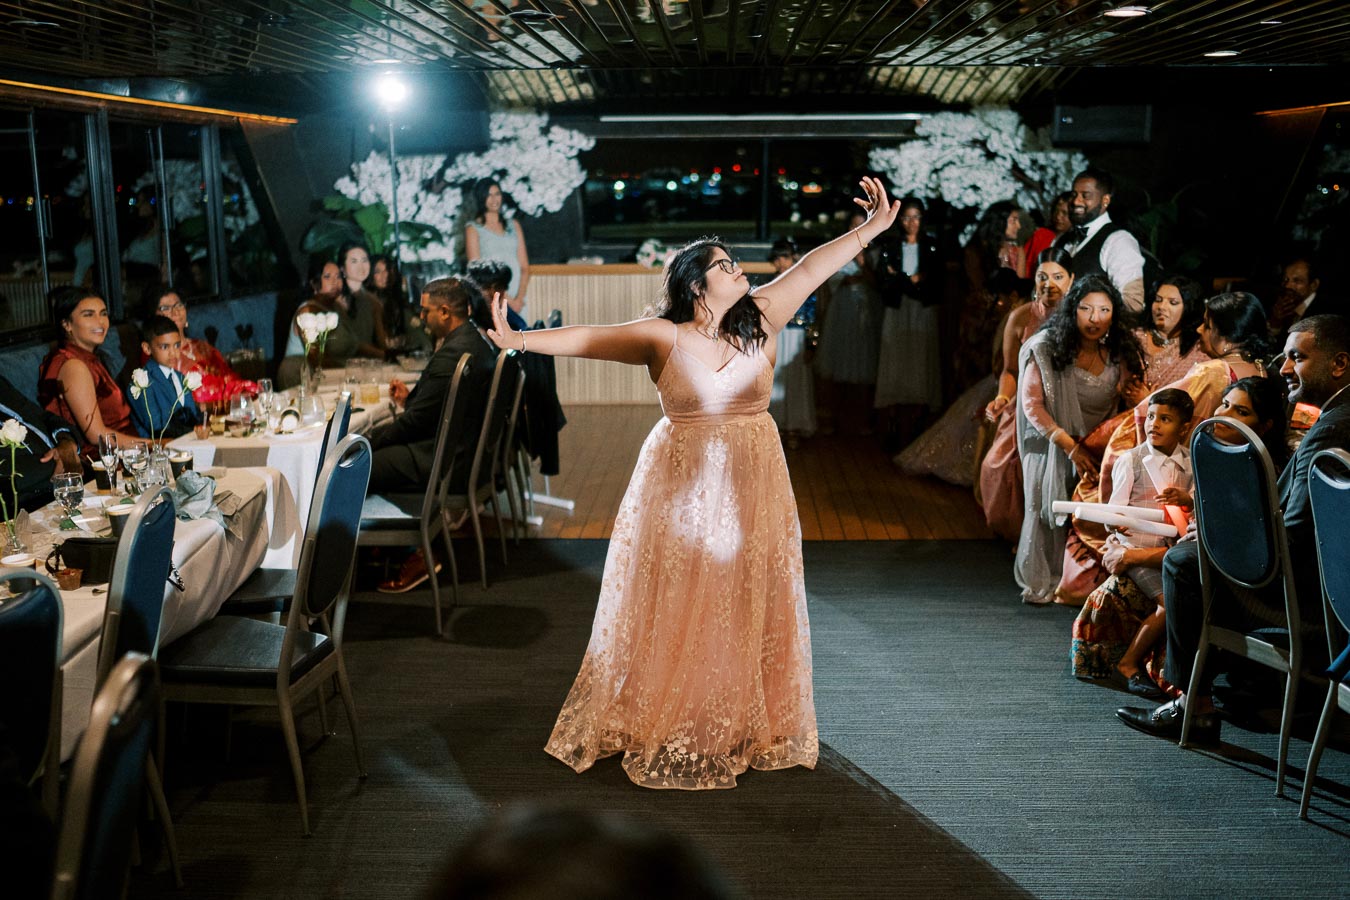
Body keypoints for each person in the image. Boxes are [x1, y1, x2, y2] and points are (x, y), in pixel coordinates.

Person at [482, 177, 901, 790]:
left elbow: (813, 268)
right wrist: (519, 340)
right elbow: (590, 338)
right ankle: (682, 712)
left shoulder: (759, 318)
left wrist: (870, 230)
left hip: (755, 481)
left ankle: (738, 714)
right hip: (681, 488)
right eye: (728, 267)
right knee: (689, 596)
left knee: (745, 592)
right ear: (697, 285)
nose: (742, 273)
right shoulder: (662, 336)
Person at [1118, 315, 1350, 743]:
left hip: (1317, 597)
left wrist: (1217, 535)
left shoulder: (1332, 428)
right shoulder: (1337, 417)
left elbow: (1296, 536)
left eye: (1297, 357)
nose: (1282, 368)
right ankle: (1240, 691)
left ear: (1339, 364)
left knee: (1184, 562)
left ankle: (1196, 707)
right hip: (1332, 582)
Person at [1072, 377, 1290, 695]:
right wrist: (1123, 540)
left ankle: (1185, 688)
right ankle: (1162, 676)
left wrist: (1142, 550)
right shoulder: (1145, 459)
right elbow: (1118, 514)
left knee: (1177, 584)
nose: (1225, 415)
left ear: (1264, 425)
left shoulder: (1236, 466)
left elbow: (1208, 535)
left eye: (1241, 411)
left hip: (1222, 565)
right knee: (1173, 584)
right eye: (1224, 404)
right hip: (1156, 544)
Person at [1015, 274, 1145, 605]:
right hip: (1052, 442)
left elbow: (1132, 401)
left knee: (1087, 515)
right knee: (1045, 511)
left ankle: (1080, 583)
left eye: (1103, 310)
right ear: (1072, 311)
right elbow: (1032, 406)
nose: (1094, 318)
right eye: (1085, 308)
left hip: (1098, 446)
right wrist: (1070, 447)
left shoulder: (1119, 352)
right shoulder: (1046, 349)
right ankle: (1046, 581)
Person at [372, 276, 498, 594]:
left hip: (440, 460)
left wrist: (366, 443)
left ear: (444, 312)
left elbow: (415, 424)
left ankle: (409, 552)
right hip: (463, 454)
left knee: (355, 468)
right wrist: (411, 398)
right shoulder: (476, 342)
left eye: (425, 311)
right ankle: (383, 549)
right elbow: (434, 408)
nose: (421, 317)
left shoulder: (452, 355)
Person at [979, 247, 1074, 539]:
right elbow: (1010, 371)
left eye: (1058, 276)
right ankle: (1021, 536)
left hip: (1067, 404)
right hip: (1023, 404)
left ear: (1071, 280)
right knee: (996, 466)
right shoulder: (1020, 317)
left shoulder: (1081, 316)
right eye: (1042, 276)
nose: (1049, 283)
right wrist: (1002, 398)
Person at [873, 197, 942, 450]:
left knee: (920, 357)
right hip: (898, 308)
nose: (911, 222)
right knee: (896, 357)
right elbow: (885, 279)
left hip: (922, 309)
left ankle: (918, 420)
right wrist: (908, 279)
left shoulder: (931, 245)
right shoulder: (890, 245)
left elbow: (934, 279)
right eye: (906, 217)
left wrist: (903, 278)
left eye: (916, 217)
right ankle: (894, 424)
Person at [37, 287, 141, 453]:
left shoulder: (90, 358)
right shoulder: (74, 366)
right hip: (106, 459)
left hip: (127, 449)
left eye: (103, 313)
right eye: (88, 314)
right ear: (67, 324)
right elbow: (96, 435)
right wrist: (153, 445)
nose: (100, 322)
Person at [814, 208, 882, 434]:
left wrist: (863, 267)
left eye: (862, 225)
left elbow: (875, 283)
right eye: (854, 225)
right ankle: (833, 418)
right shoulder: (838, 251)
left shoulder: (874, 254)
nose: (858, 230)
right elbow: (835, 281)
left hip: (866, 311)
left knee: (863, 361)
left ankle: (862, 419)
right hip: (842, 310)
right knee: (839, 359)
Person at [954, 200, 1026, 393]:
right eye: (1013, 220)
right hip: (980, 321)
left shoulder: (1017, 251)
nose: (1017, 226)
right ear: (999, 222)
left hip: (1007, 320)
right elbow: (978, 288)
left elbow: (1019, 285)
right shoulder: (977, 250)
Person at [1053, 168, 1146, 313]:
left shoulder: (1119, 241)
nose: (1076, 201)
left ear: (1105, 200)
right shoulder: (1060, 240)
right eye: (1074, 195)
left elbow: (1132, 304)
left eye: (1086, 196)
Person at [0, 374, 81, 512]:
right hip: (28, 504)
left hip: (70, 478)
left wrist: (65, 441)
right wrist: (58, 460)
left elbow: (44, 416)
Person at [142, 284, 244, 383]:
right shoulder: (154, 354)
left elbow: (230, 378)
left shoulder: (202, 347)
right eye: (165, 308)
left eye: (179, 305)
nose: (175, 311)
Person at [465, 178, 531, 315]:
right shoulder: (473, 229)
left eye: (497, 194)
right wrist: (508, 301)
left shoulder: (514, 225)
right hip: (492, 297)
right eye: (489, 195)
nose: (494, 199)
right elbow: (476, 274)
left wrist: (519, 299)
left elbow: (524, 267)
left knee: (522, 334)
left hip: (518, 297)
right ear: (480, 198)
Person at [128, 315, 201, 440]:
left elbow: (192, 414)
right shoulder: (141, 382)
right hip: (161, 449)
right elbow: (156, 427)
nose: (173, 353)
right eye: (165, 347)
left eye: (177, 345)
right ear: (147, 348)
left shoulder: (180, 377)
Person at [1136, 274, 1210, 392]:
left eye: (1173, 302)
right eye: (1158, 300)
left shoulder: (1198, 350)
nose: (1162, 306)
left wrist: (1148, 402)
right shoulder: (1134, 338)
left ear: (1188, 308)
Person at [337, 242, 388, 359]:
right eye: (354, 261)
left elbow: (381, 339)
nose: (361, 266)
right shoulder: (336, 300)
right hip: (341, 364)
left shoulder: (372, 300)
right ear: (343, 269)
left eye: (364, 260)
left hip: (370, 364)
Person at [1268, 255, 1337, 334]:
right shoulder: (1281, 305)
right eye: (1285, 279)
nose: (1287, 286)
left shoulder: (1325, 316)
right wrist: (1276, 323)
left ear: (1314, 285)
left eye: (1297, 281)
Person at [1023, 191, 1074, 267]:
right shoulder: (1041, 235)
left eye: (1064, 213)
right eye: (1056, 211)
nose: (1058, 217)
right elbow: (1025, 265)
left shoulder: (1076, 241)